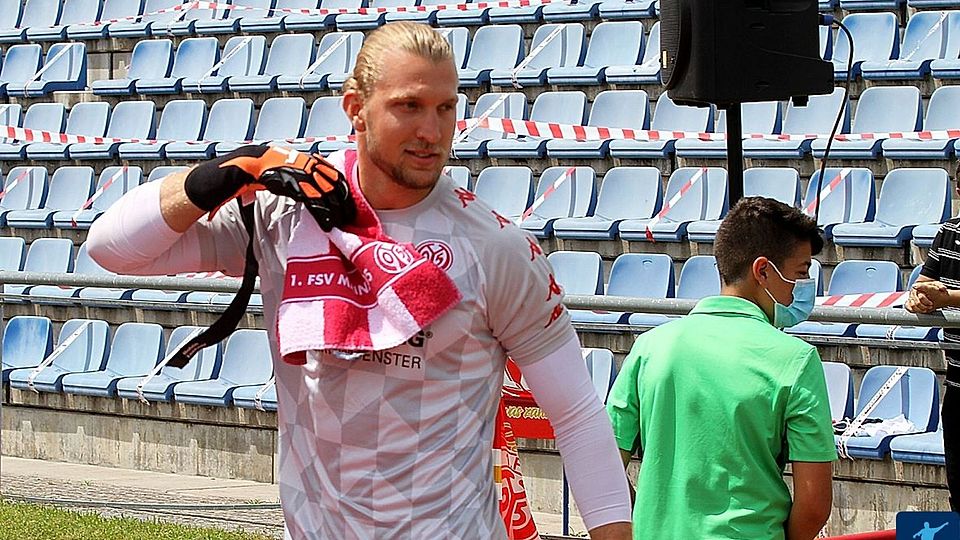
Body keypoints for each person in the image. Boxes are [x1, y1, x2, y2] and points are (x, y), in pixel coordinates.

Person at [87, 22, 632, 539]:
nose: (431, 130)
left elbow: (577, 415)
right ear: (356, 109)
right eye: (408, 106)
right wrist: (222, 174)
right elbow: (112, 250)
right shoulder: (285, 217)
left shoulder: (497, 247)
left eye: (446, 108)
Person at [606, 197, 837, 540]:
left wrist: (642, 525)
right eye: (801, 272)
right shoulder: (796, 360)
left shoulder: (650, 347)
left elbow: (600, 466)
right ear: (763, 271)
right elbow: (815, 503)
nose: (804, 286)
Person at [905, 169, 960, 512]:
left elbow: (943, 294)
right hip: (957, 386)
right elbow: (925, 284)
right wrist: (918, 298)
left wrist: (947, 299)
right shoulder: (949, 233)